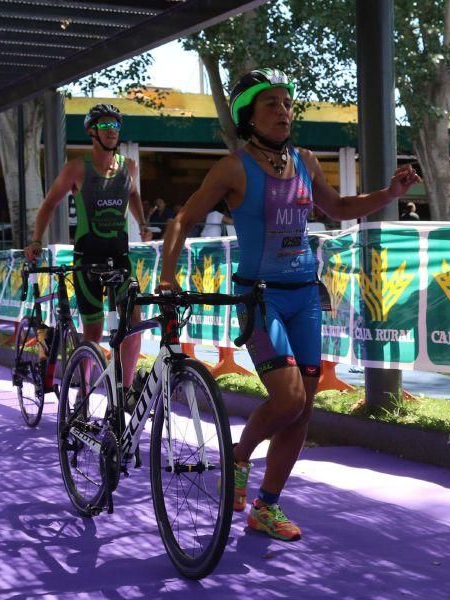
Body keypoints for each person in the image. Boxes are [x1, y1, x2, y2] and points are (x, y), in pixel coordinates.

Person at [158, 69, 420, 541]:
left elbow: (337, 209)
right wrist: (167, 273)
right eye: (271, 104)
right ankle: (239, 455)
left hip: (305, 295)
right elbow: (183, 220)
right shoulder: (232, 168)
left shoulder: (305, 161)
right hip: (260, 297)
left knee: (303, 409)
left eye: (286, 102)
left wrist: (390, 193)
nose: (283, 111)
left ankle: (267, 506)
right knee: (289, 396)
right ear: (248, 116)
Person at [24, 103, 151, 392]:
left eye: (115, 126)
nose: (111, 131)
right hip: (87, 261)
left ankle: (126, 390)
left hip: (119, 258)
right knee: (93, 332)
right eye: (105, 126)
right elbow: (48, 206)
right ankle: (83, 392)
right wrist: (35, 240)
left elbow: (133, 194)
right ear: (92, 132)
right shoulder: (77, 168)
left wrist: (142, 222)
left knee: (132, 323)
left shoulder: (129, 166)